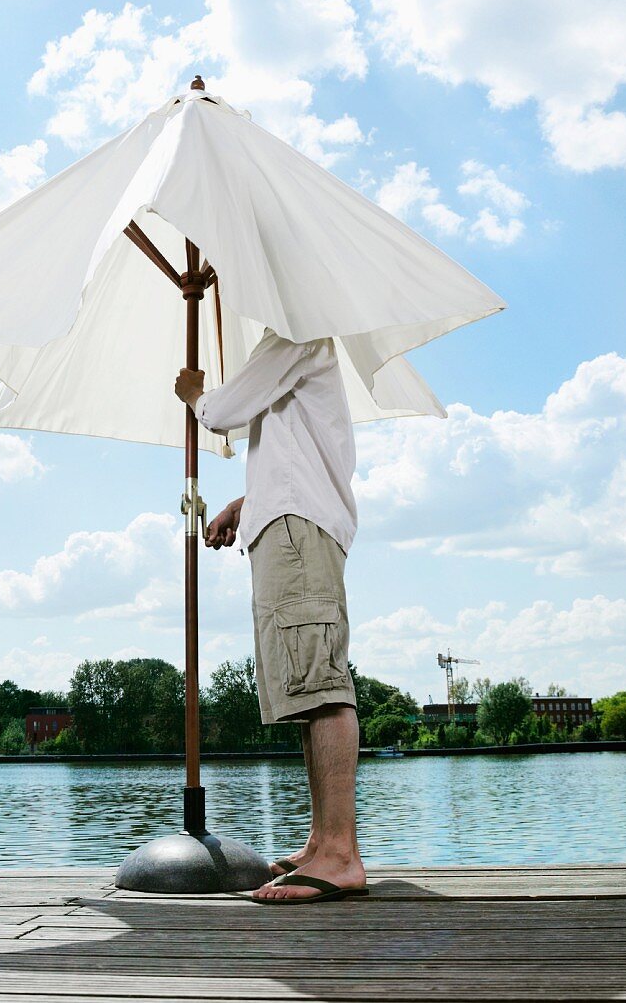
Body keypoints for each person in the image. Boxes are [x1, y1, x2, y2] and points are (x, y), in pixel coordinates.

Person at [174, 327, 367, 904]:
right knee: (307, 693)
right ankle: (322, 844)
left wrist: (194, 394)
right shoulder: (297, 342)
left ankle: (339, 853)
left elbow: (224, 410)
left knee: (321, 685)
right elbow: (293, 453)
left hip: (295, 529)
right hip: (286, 522)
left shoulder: (295, 329)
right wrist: (244, 503)